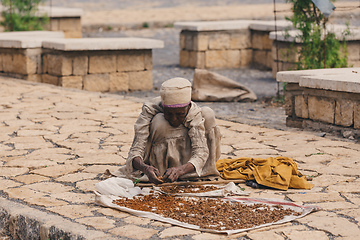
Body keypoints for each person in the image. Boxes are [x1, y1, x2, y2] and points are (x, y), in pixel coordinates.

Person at [116, 77, 221, 184]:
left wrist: (181, 170)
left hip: (188, 163)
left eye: (180, 114)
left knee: (208, 113)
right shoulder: (149, 109)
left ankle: (202, 171)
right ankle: (161, 171)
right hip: (158, 167)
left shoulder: (194, 113)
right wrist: (145, 168)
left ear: (188, 107)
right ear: (163, 107)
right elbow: (135, 150)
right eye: (169, 114)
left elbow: (201, 152)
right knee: (159, 121)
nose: (174, 119)